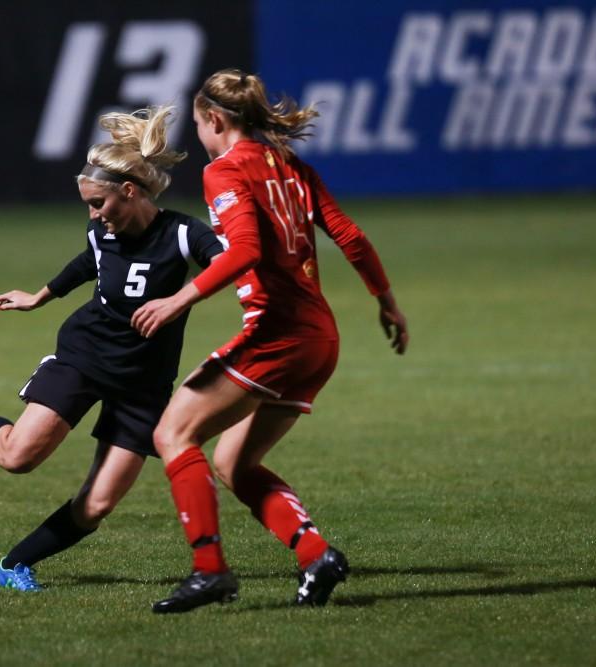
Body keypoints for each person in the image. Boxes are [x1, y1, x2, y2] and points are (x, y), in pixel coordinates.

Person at [0, 106, 224, 591]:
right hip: (85, 356)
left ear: (130, 191)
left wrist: (179, 300)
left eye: (99, 203)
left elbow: (232, 262)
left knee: (97, 505)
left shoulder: (183, 234)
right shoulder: (101, 230)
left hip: (144, 382)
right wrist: (40, 296)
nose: (93, 215)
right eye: (88, 204)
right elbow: (90, 261)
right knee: (17, 457)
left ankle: (15, 563)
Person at [131, 69, 409, 613]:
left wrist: (178, 299)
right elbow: (350, 235)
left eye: (198, 124)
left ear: (215, 119)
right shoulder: (290, 165)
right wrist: (386, 301)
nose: (199, 135)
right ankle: (316, 554)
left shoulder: (225, 170)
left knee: (172, 433)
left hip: (277, 335)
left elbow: (245, 250)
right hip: (319, 340)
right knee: (234, 463)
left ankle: (209, 571)